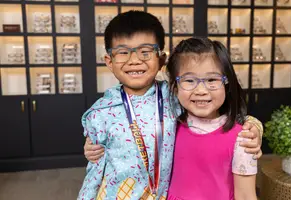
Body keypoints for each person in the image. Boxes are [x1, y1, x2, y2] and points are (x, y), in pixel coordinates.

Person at [78, 11, 263, 200]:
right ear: (109, 61)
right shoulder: (101, 112)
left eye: (145, 52)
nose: (134, 60)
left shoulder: (173, 96)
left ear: (161, 59)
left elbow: (218, 113)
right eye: (123, 52)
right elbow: (95, 167)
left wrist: (254, 127)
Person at [166, 37, 257, 200]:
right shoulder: (169, 126)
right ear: (174, 87)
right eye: (189, 80)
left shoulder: (242, 139)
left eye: (212, 80)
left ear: (226, 83)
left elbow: (245, 195)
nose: (201, 90)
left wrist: (255, 125)